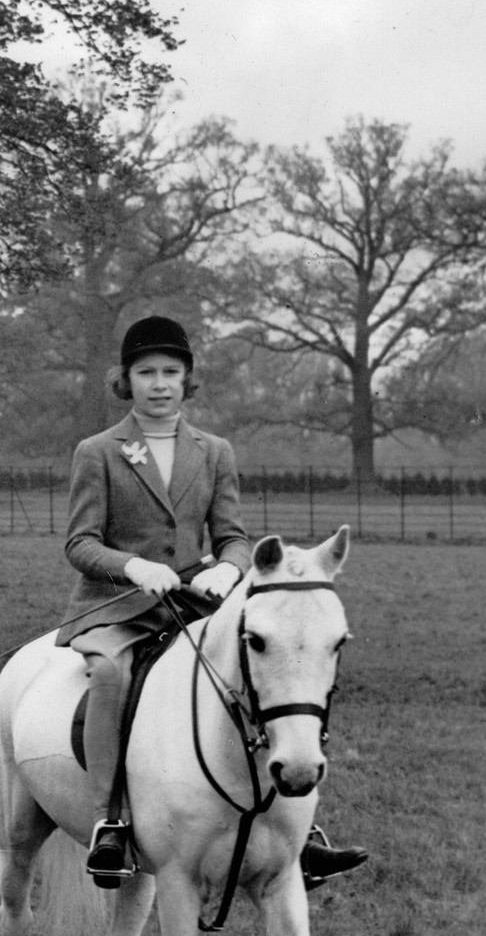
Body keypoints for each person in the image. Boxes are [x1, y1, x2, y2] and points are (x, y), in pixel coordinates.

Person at [60, 315, 367, 888]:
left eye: (170, 372)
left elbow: (232, 536)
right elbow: (80, 543)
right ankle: (111, 821)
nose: (159, 384)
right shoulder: (97, 451)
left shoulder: (215, 451)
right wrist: (134, 567)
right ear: (126, 380)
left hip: (194, 603)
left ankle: (297, 830)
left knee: (263, 673)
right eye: (146, 372)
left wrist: (227, 569)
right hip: (117, 606)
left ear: (187, 379)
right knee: (110, 676)